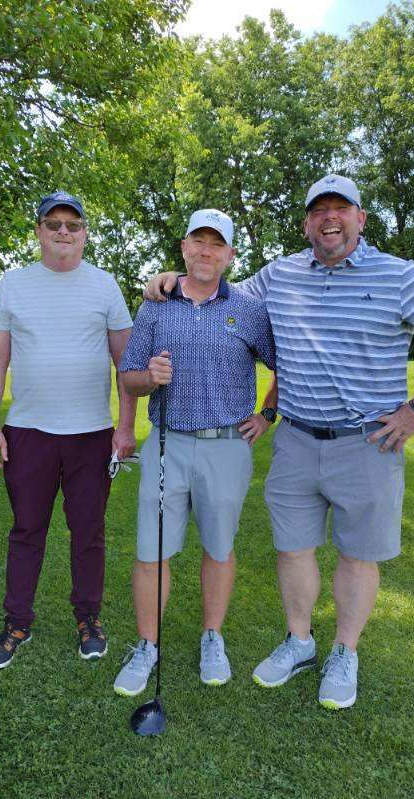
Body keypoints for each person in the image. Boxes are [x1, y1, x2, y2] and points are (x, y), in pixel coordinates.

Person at [143, 175, 414, 709]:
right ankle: (299, 642)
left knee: (357, 554)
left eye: (340, 208)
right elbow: (214, 289)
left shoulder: (398, 276)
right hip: (297, 440)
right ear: (306, 223)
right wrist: (166, 278)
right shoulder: (280, 276)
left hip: (368, 442)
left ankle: (345, 650)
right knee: (293, 548)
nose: (329, 218)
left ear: (360, 218)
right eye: (318, 209)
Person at [113, 209, 277, 696]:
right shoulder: (155, 306)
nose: (206, 251)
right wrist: (149, 378)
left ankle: (212, 638)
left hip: (227, 446)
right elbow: (128, 377)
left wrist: (267, 415)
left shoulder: (247, 307)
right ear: (184, 247)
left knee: (220, 548)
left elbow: (284, 363)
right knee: (150, 551)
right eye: (198, 242)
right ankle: (147, 646)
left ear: (230, 254)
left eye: (216, 244)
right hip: (168, 445)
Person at [0, 190, 137, 669]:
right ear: (39, 232)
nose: (63, 232)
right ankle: (17, 623)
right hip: (28, 432)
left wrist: (125, 428)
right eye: (54, 224)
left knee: (87, 532)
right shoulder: (12, 285)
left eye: (73, 224)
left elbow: (125, 363)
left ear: (85, 232)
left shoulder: (105, 285)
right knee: (28, 530)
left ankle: (88, 618)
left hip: (92, 433)